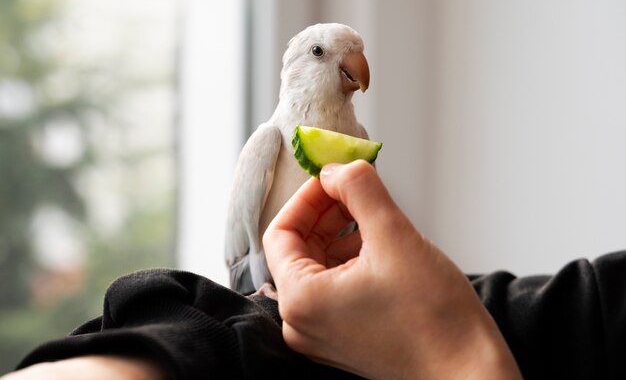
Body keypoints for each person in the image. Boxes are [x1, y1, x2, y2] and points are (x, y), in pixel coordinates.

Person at [3, 160, 626, 379]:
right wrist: (144, 356)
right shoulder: (603, 309)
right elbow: (243, 333)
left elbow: (451, 328)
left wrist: (452, 356)